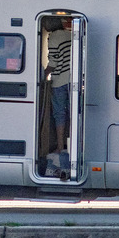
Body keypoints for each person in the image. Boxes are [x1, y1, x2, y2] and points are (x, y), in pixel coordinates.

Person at [44, 17, 72, 155]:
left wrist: (44, 74)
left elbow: (53, 62)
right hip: (72, 80)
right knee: (73, 113)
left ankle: (60, 146)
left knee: (59, 114)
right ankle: (72, 144)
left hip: (59, 81)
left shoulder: (53, 38)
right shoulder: (69, 34)